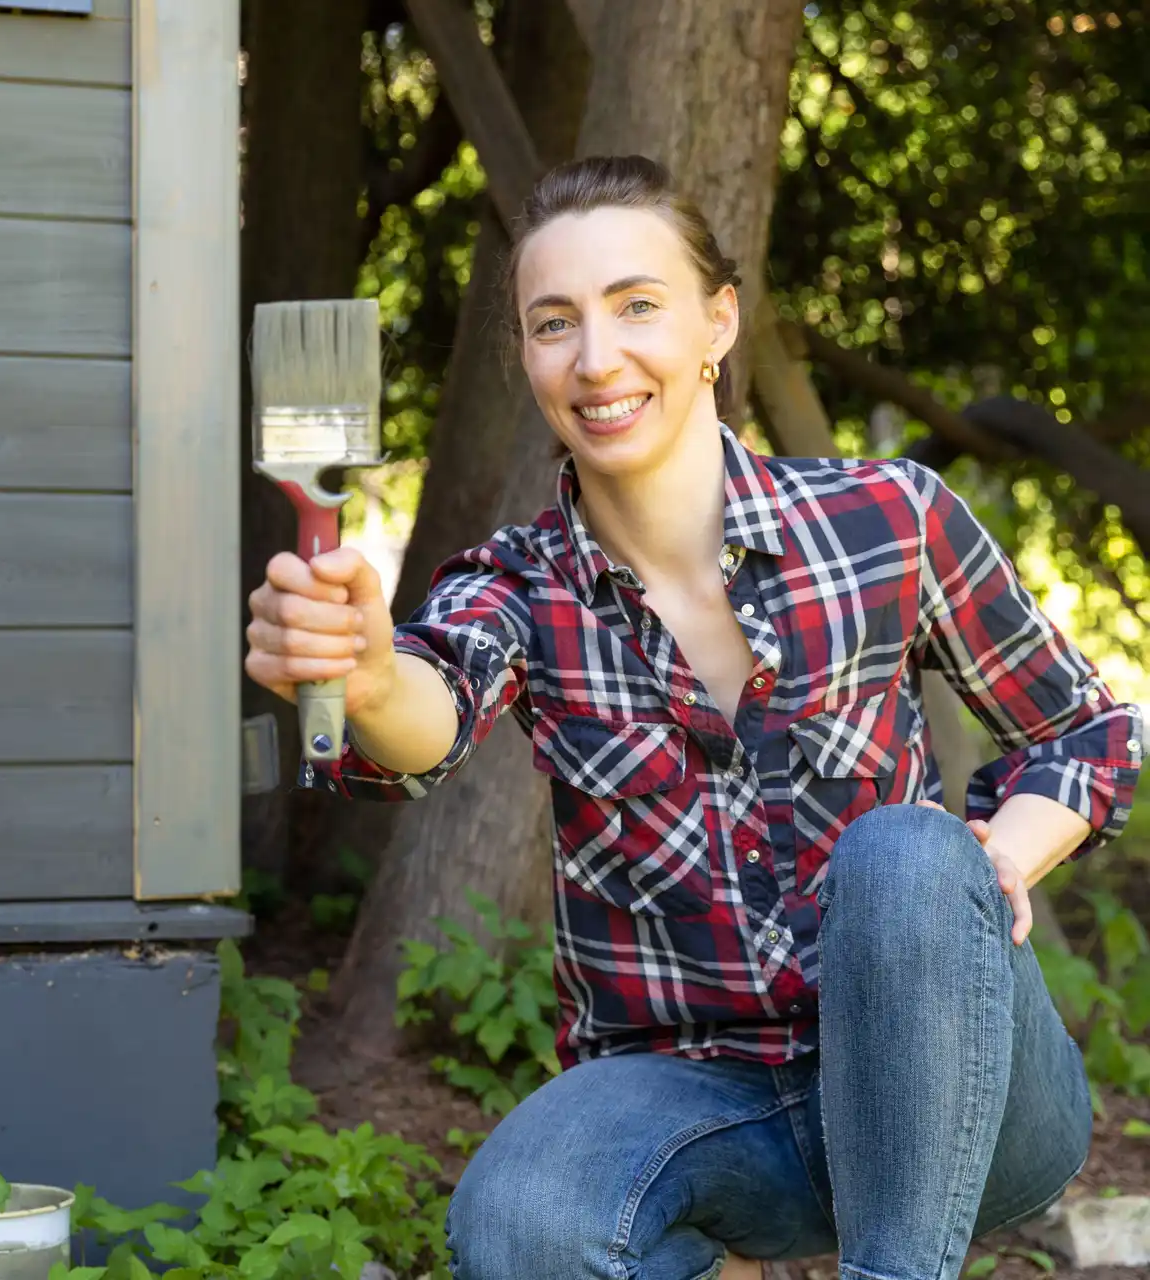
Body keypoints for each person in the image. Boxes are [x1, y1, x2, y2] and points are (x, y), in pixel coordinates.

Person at [243, 154, 1145, 1280]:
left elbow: (1088, 730)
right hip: (702, 1102)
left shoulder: (889, 519)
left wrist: (997, 859)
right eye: (553, 322)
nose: (596, 356)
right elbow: (429, 705)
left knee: (910, 852)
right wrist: (370, 677)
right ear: (525, 355)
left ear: (718, 321)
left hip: (957, 1084)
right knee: (520, 1221)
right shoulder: (518, 587)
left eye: (636, 306)